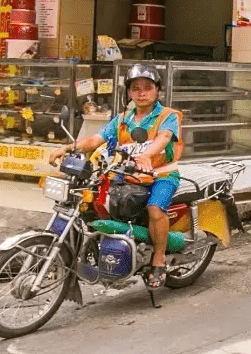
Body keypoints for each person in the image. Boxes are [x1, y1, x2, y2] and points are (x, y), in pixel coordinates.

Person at [49, 64, 183, 290]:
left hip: (161, 174)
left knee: (154, 209)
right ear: (128, 93)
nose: (141, 93)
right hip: (126, 176)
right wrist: (69, 147)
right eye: (135, 88)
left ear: (157, 91)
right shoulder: (122, 119)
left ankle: (158, 261)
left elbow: (164, 138)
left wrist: (146, 156)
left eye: (147, 88)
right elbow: (95, 140)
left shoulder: (168, 116)